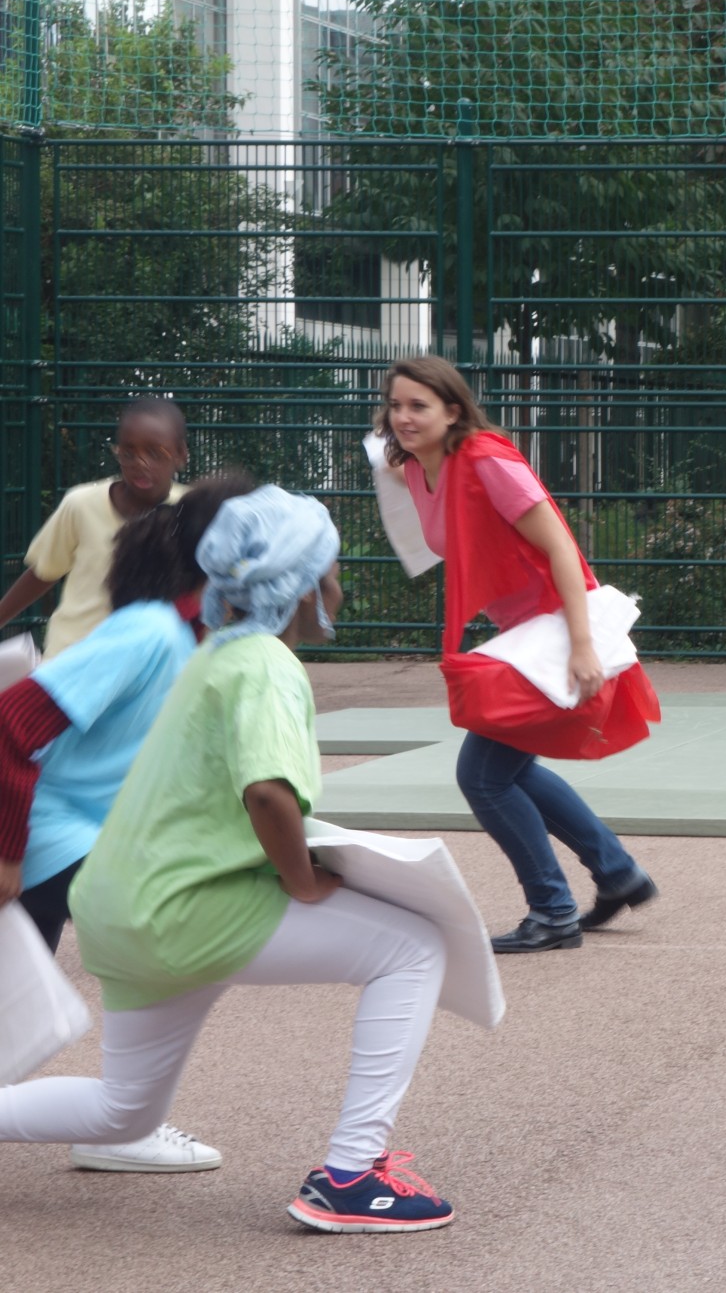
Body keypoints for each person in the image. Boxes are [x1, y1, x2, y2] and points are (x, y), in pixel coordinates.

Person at [0, 486, 456, 1233]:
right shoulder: (267, 665)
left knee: (123, 1109)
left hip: (123, 908)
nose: (337, 581)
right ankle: (350, 1174)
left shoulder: (210, 652)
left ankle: (351, 1172)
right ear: (303, 582)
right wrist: (303, 880)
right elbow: (269, 794)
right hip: (181, 907)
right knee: (414, 945)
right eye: (331, 565)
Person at [0, 473, 255, 1173]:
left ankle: (121, 1121)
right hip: (55, 835)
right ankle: (122, 1122)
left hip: (84, 835)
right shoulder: (150, 631)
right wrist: (8, 852)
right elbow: (13, 720)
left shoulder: (200, 634)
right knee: (166, 940)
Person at [374, 356, 658, 953]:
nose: (403, 416)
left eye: (419, 406)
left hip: (555, 628)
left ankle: (552, 911)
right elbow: (391, 468)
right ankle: (615, 871)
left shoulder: (485, 459)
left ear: (453, 411)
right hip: (522, 632)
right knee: (510, 770)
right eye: (395, 404)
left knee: (482, 776)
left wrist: (581, 647)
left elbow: (560, 545)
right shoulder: (410, 466)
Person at [0, 397, 190, 658]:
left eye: (156, 453)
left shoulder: (192, 513)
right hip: (70, 662)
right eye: (128, 452)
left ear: (181, 454)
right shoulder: (81, 504)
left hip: (146, 671)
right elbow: (44, 571)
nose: (140, 463)